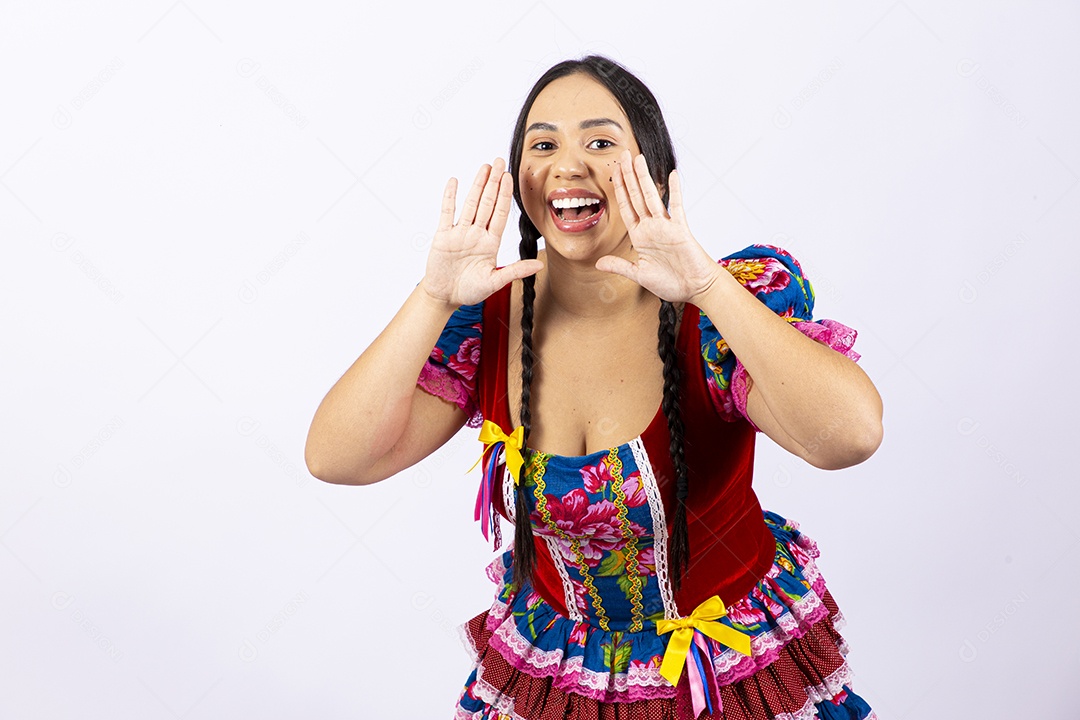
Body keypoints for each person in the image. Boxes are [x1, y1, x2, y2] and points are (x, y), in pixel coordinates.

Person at [306, 54, 883, 720]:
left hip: (722, 678)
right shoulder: (489, 319)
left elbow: (849, 436)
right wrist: (433, 295)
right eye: (543, 143)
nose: (567, 164)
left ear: (654, 171)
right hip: (558, 676)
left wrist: (705, 284)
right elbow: (335, 458)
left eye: (600, 142)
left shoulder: (721, 312)